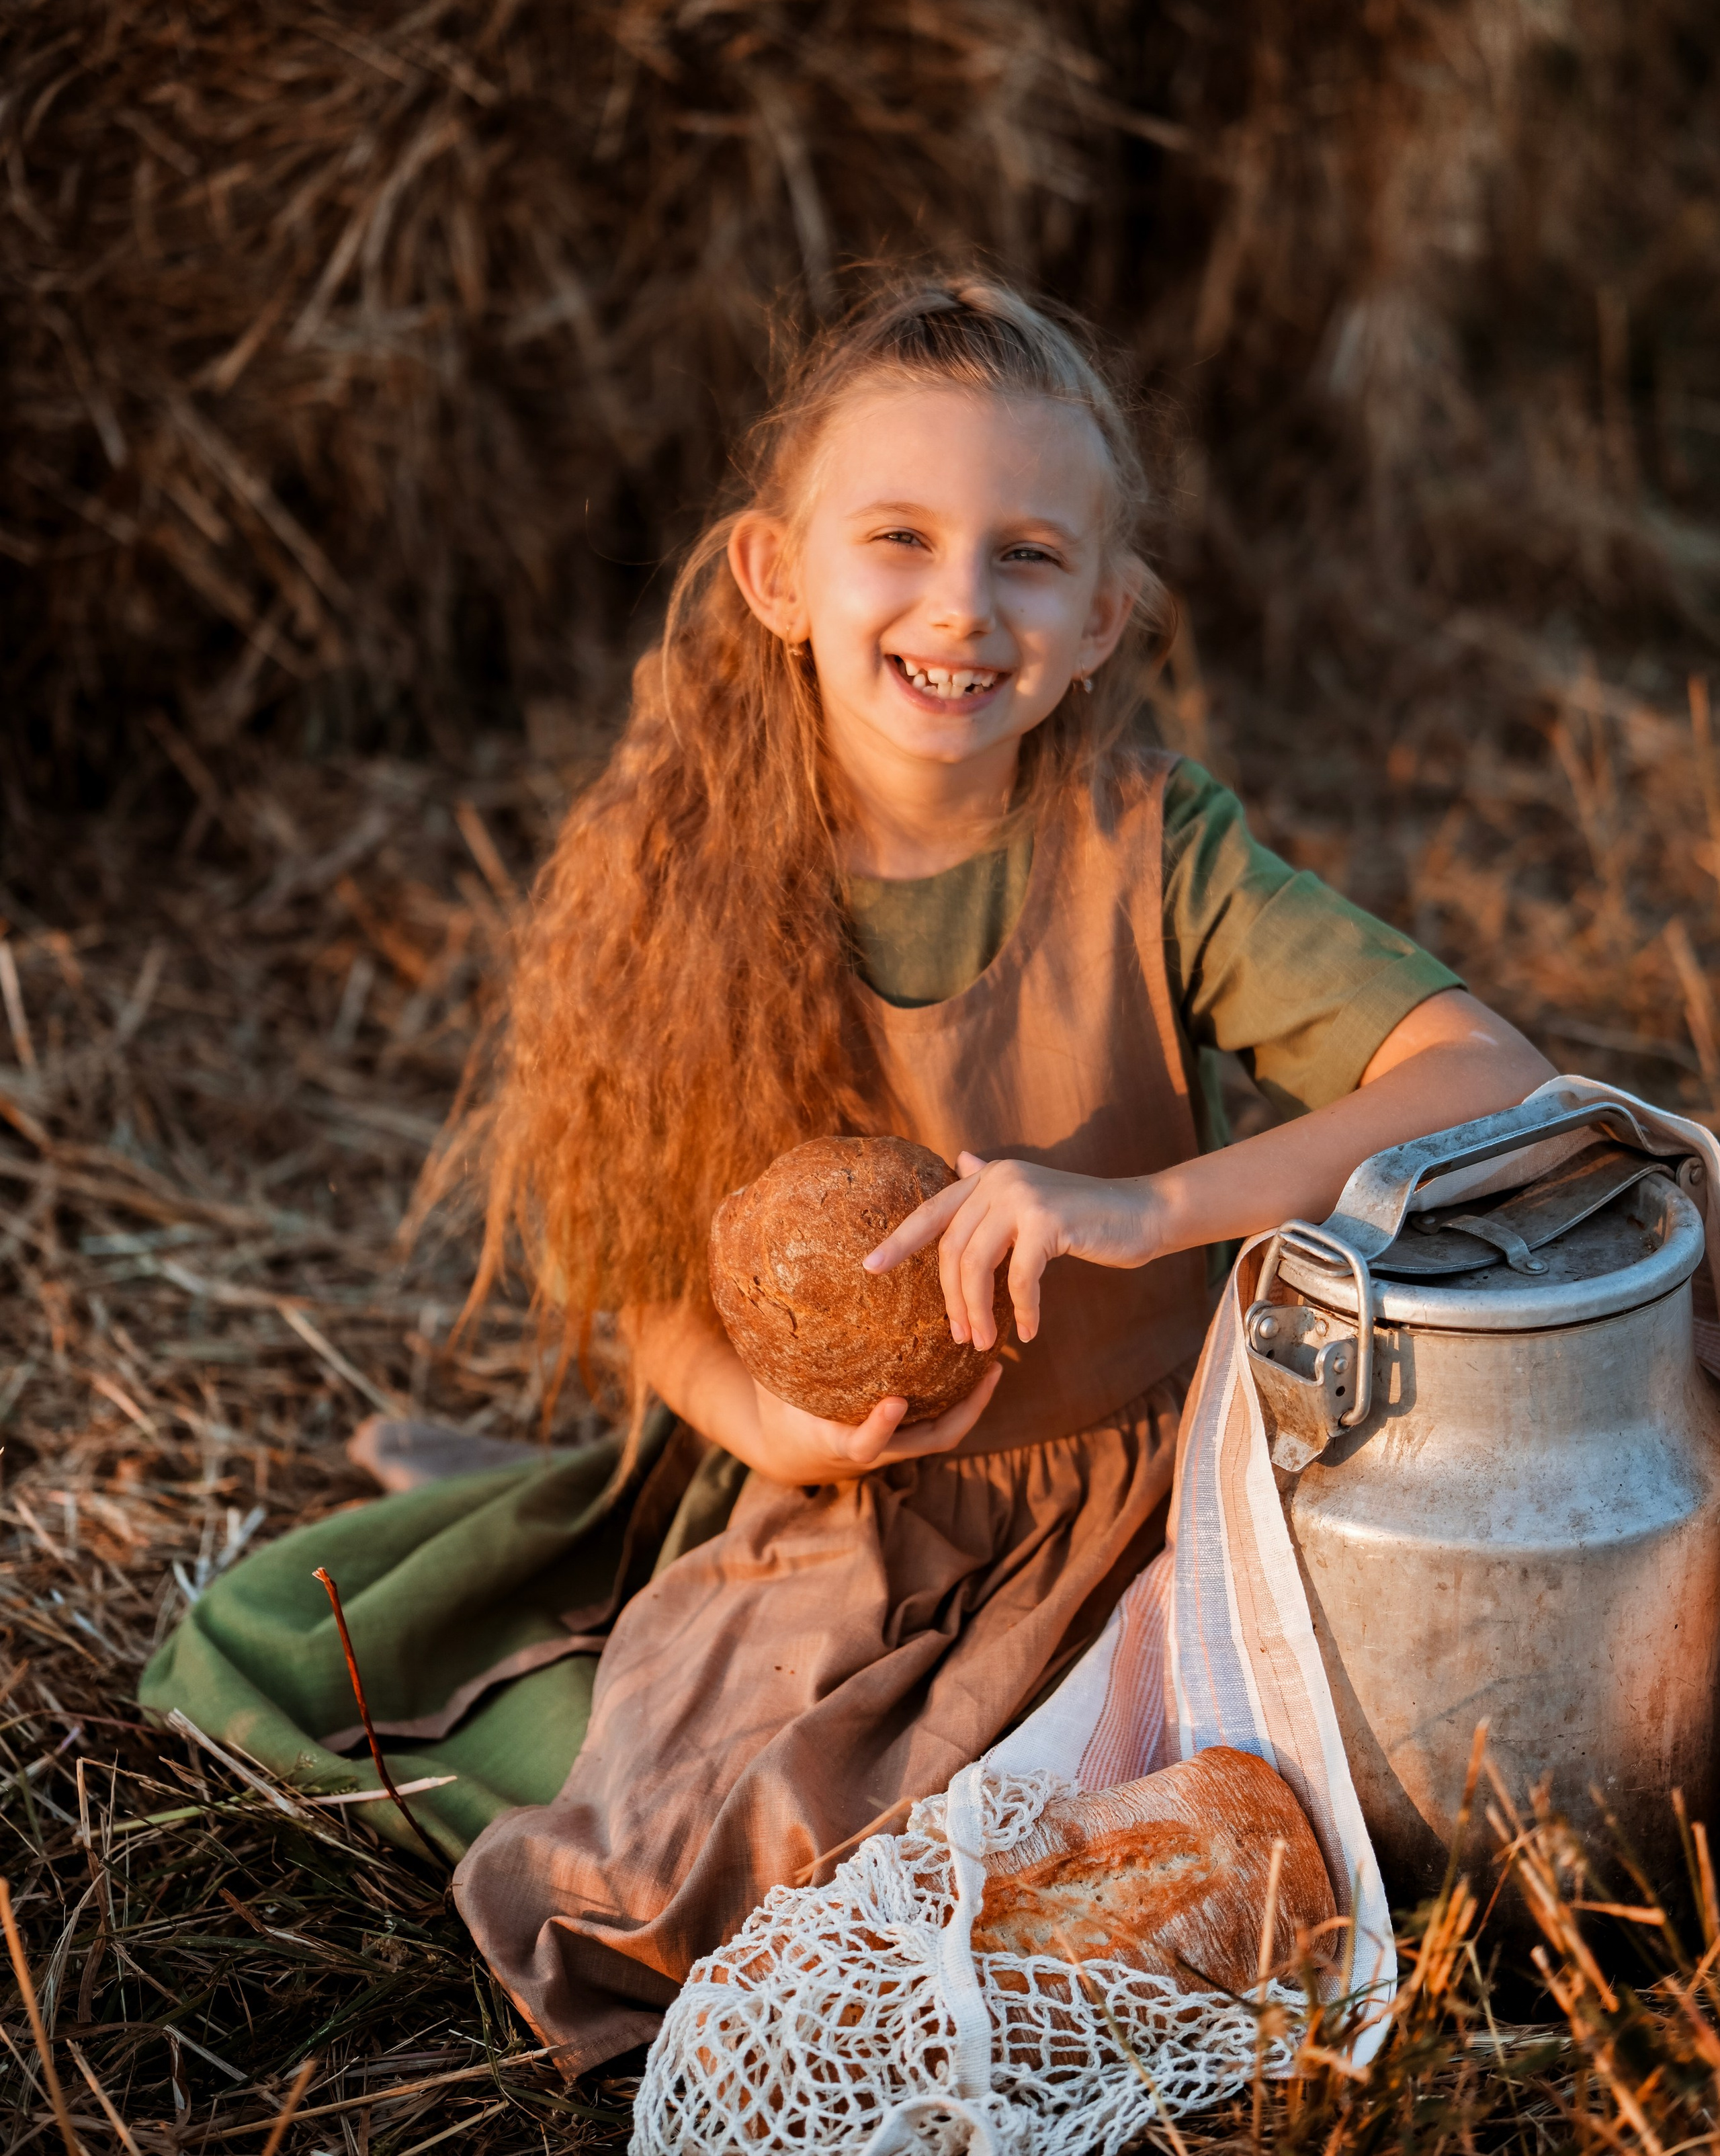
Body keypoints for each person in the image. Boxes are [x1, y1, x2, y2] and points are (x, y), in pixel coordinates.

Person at [141, 276, 1552, 2079]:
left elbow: (1482, 1071)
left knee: (1247, 1827)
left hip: (1140, 1498)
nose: (963, 603)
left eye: (1030, 556)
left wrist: (1145, 1211)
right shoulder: (694, 869)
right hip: (844, 1500)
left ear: (1109, 617)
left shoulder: (1151, 851)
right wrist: (754, 1417)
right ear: (777, 581)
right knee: (721, 1881)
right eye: (900, 537)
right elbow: (633, 1253)